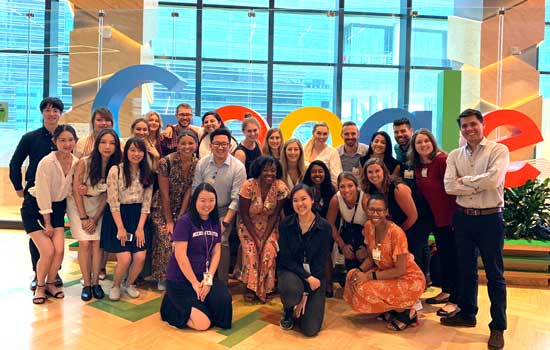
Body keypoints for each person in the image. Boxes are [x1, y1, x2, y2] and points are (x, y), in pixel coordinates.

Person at [442, 109, 509, 350]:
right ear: (461, 129)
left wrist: (465, 183)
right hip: (463, 219)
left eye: (473, 124)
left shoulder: (498, 150)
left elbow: (493, 181)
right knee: (466, 271)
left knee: (495, 275)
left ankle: (498, 326)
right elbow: (449, 186)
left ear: (482, 125)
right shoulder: (454, 155)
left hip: (490, 219)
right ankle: (468, 314)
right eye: (465, 126)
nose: (469, 129)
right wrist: (476, 183)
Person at [343, 193, 425, 331]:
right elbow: (371, 257)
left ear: (386, 212)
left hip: (408, 279)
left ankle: (406, 314)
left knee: (366, 288)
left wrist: (368, 276)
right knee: (352, 276)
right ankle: (392, 309)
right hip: (384, 272)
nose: (375, 214)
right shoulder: (369, 226)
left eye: (379, 210)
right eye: (371, 210)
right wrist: (360, 271)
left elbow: (400, 270)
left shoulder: (396, 233)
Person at [9, 97, 65, 291]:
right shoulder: (30, 138)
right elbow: (15, 163)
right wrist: (19, 188)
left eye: (56, 110)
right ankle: (37, 273)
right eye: (48, 110)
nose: (52, 114)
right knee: (39, 237)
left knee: (56, 238)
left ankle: (54, 273)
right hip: (34, 194)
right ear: (42, 113)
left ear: (60, 113)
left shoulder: (65, 137)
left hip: (58, 197)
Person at [160, 183, 232, 330]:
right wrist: (194, 283)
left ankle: (200, 305)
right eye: (203, 200)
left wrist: (208, 280)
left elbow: (216, 252)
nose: (207, 204)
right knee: (202, 324)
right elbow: (180, 256)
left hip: (203, 276)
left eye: (211, 200)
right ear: (195, 201)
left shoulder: (215, 222)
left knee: (223, 304)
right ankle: (169, 305)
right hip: (181, 280)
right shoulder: (184, 222)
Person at [408, 129, 458, 316]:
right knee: (444, 256)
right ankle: (446, 291)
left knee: (452, 258)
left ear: (432, 142)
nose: (423, 145)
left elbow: (452, 189)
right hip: (434, 220)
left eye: (426, 141)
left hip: (449, 219)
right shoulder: (418, 165)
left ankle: (455, 299)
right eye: (419, 142)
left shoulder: (442, 161)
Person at [67, 128, 122, 301]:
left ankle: (96, 282)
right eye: (103, 142)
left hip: (100, 207)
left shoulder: (116, 166)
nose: (107, 146)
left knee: (97, 244)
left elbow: (108, 195)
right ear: (97, 144)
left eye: (112, 143)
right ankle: (87, 284)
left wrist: (96, 218)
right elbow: (76, 190)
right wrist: (84, 218)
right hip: (79, 206)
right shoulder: (85, 162)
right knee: (84, 243)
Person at [26, 124, 79, 304]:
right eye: (62, 140)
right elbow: (43, 193)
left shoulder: (76, 162)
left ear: (75, 141)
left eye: (70, 140)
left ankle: (50, 283)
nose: (66, 144)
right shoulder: (46, 162)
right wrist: (47, 222)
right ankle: (39, 287)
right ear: (54, 141)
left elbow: (72, 190)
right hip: (36, 208)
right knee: (47, 251)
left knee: (59, 250)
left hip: (57, 208)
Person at [363, 158, 433, 283]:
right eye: (370, 172)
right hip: (396, 223)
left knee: (412, 252)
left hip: (416, 221)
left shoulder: (398, 189)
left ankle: (419, 283)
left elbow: (412, 216)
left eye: (377, 171)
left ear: (384, 171)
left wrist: (397, 234)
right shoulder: (369, 191)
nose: (374, 175)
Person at [100, 137, 154, 301]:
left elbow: (147, 203)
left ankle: (128, 283)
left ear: (144, 154)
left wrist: (140, 228)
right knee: (124, 258)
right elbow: (113, 201)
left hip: (138, 218)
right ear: (126, 151)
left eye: (139, 150)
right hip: (118, 217)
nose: (136, 154)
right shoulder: (116, 170)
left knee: (140, 257)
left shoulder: (148, 172)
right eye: (132, 150)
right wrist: (121, 228)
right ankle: (116, 285)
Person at [192, 127, 247, 284]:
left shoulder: (238, 167)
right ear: (211, 145)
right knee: (197, 237)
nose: (221, 147)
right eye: (217, 143)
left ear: (230, 146)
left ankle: (221, 283)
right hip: (202, 209)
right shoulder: (202, 164)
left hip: (225, 210)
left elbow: (236, 199)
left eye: (225, 144)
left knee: (220, 239)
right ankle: (198, 279)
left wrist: (225, 222)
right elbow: (196, 189)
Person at [277, 184, 332, 336]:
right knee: (292, 292)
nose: (300, 204)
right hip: (291, 271)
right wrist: (305, 279)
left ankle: (303, 304)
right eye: (295, 200)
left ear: (312, 200)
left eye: (304, 199)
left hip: (315, 277)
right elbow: (286, 259)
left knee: (310, 329)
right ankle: (288, 310)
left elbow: (322, 261)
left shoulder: (324, 227)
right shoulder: (285, 225)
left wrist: (307, 291)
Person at [150, 130, 198, 291]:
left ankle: (181, 274)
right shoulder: (166, 162)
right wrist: (170, 220)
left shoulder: (197, 164)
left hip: (183, 209)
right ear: (177, 144)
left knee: (184, 240)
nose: (187, 147)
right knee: (166, 237)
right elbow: (164, 193)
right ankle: (162, 276)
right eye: (183, 143)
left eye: (190, 143)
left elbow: (189, 192)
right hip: (163, 208)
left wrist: (181, 218)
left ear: (196, 145)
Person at [238, 156, 289, 302]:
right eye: (265, 170)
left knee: (268, 251)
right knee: (252, 252)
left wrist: (265, 237)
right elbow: (244, 215)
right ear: (259, 171)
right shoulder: (248, 186)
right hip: (248, 226)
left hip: (270, 226)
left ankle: (266, 287)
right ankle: (251, 287)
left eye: (273, 170)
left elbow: (275, 216)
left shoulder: (281, 188)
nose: (269, 174)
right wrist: (255, 237)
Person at [327, 172, 369, 272]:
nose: (346, 190)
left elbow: (376, 225)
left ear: (356, 186)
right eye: (342, 186)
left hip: (367, 234)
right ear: (338, 188)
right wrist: (343, 246)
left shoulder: (365, 199)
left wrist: (367, 248)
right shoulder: (336, 199)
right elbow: (330, 224)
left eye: (350, 186)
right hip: (350, 234)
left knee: (362, 260)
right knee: (351, 266)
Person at [303, 122, 342, 187]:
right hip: (304, 187)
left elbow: (336, 177)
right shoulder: (303, 149)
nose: (322, 136)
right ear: (313, 133)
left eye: (325, 134)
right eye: (319, 133)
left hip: (324, 189)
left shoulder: (332, 152)